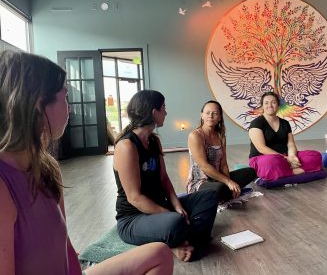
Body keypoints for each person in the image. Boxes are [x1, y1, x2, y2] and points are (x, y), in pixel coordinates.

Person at [0, 50, 173, 275]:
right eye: (64, 98)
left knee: (159, 254)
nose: (70, 107)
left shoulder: (46, 167)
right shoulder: (4, 184)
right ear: (37, 105)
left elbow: (65, 246)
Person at [113, 90, 218, 262]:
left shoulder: (154, 141)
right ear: (154, 112)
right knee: (175, 223)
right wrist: (170, 215)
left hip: (162, 206)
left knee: (210, 196)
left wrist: (177, 206)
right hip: (133, 218)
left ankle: (179, 240)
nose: (166, 112)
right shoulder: (126, 146)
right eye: (164, 108)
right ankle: (176, 243)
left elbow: (164, 178)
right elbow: (135, 198)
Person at [187, 100, 256, 202]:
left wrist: (229, 182)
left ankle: (226, 192)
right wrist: (228, 182)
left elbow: (223, 164)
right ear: (202, 115)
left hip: (219, 178)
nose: (210, 116)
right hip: (200, 182)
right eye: (207, 113)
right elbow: (204, 166)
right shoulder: (195, 136)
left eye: (215, 113)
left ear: (219, 117)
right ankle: (224, 193)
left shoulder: (220, 136)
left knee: (251, 172)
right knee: (219, 189)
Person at [248, 92, 322, 181]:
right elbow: (261, 148)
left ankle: (284, 172)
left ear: (278, 105)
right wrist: (285, 158)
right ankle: (295, 171)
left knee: (315, 156)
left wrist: (292, 156)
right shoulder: (256, 123)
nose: (270, 105)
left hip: (285, 156)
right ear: (262, 106)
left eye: (273, 102)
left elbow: (290, 143)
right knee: (271, 163)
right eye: (266, 103)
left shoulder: (285, 123)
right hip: (263, 158)